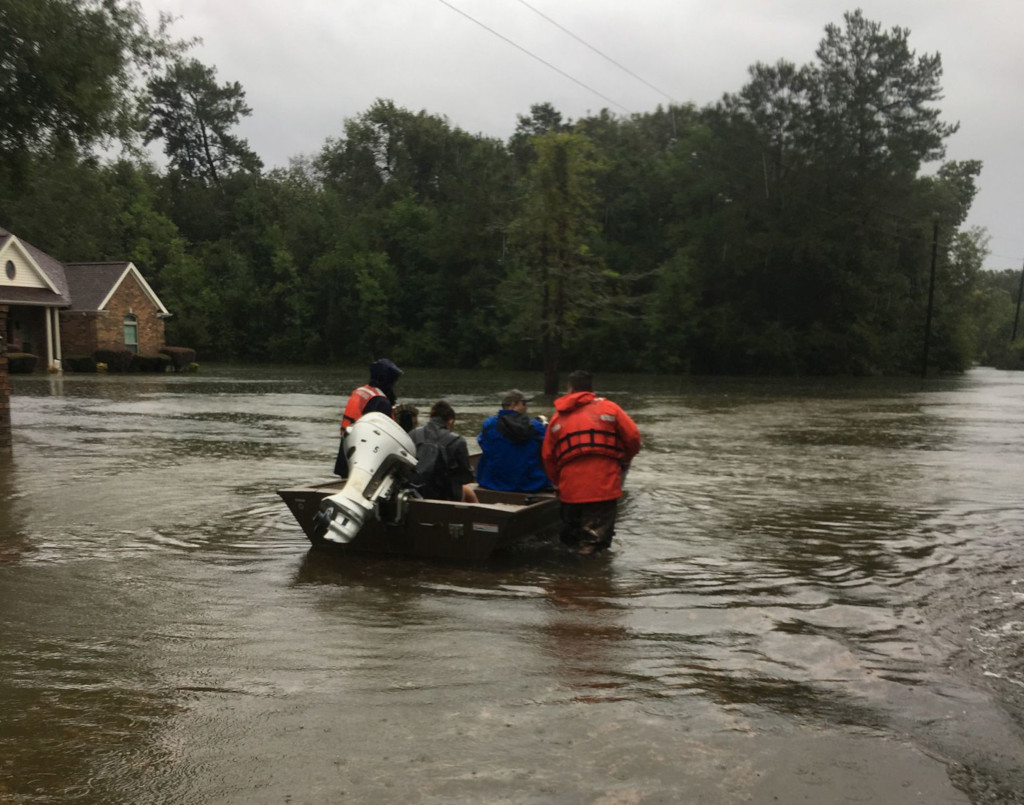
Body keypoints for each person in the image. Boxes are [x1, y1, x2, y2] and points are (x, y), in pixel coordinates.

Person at [542, 370, 641, 556]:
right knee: (594, 545)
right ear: (591, 388)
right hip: (603, 487)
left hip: (570, 490)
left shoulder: (557, 418)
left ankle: (567, 579)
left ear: (569, 389)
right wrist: (624, 460)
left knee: (570, 543)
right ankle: (593, 579)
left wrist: (558, 482)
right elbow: (634, 438)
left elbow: (548, 456)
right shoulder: (611, 409)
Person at [333, 358, 403, 477]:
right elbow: (384, 438)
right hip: (361, 461)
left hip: (345, 453)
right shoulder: (381, 402)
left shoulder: (360, 391)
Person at [476, 389, 551, 493]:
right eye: (524, 404)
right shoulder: (536, 426)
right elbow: (549, 448)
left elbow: (482, 442)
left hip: (492, 483)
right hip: (530, 484)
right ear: (513, 405)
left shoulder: (488, 424)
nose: (526, 407)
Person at [410, 399, 479, 503]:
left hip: (416, 491)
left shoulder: (413, 434)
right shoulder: (457, 441)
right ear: (450, 421)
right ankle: (479, 518)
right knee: (468, 491)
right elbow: (466, 478)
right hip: (446, 496)